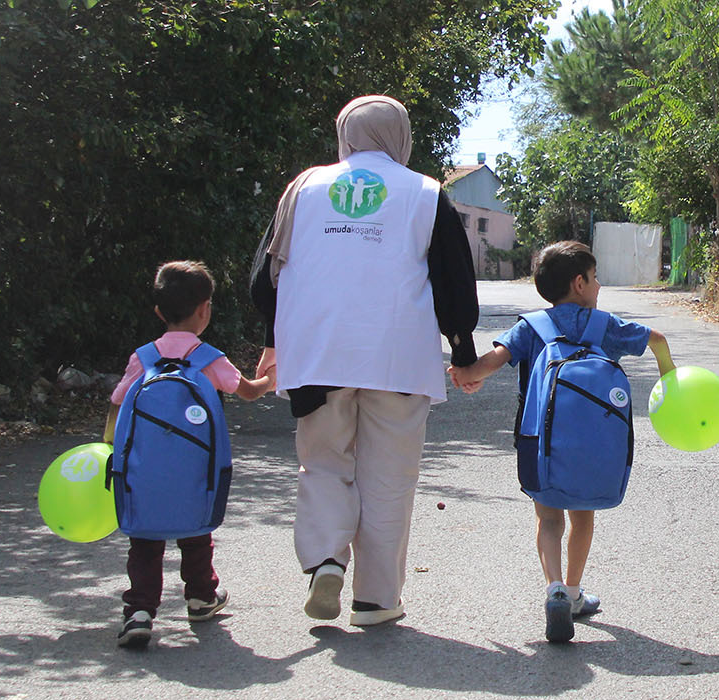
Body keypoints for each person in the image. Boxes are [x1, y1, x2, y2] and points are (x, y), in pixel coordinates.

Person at [247, 95, 479, 627]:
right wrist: (463, 354)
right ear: (400, 136)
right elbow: (454, 286)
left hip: (317, 356)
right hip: (398, 359)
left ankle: (327, 559)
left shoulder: (302, 189)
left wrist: (274, 340)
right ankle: (376, 600)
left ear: (345, 134)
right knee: (390, 478)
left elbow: (268, 279)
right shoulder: (425, 192)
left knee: (324, 463)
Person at [447, 241, 675, 643]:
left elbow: (492, 361)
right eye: (596, 276)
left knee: (548, 518)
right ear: (580, 283)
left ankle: (553, 587)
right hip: (594, 444)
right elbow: (655, 338)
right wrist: (669, 376)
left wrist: (468, 374)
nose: (600, 283)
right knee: (582, 517)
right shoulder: (601, 325)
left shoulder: (531, 326)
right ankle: (573, 592)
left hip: (540, 441)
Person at [104, 260, 276, 648]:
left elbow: (118, 402)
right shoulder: (208, 358)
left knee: (144, 541)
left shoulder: (143, 357)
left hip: (143, 470)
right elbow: (246, 391)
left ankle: (140, 611)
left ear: (159, 312)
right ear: (205, 309)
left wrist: (111, 454)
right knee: (197, 533)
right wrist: (270, 379)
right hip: (194, 470)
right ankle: (201, 596)